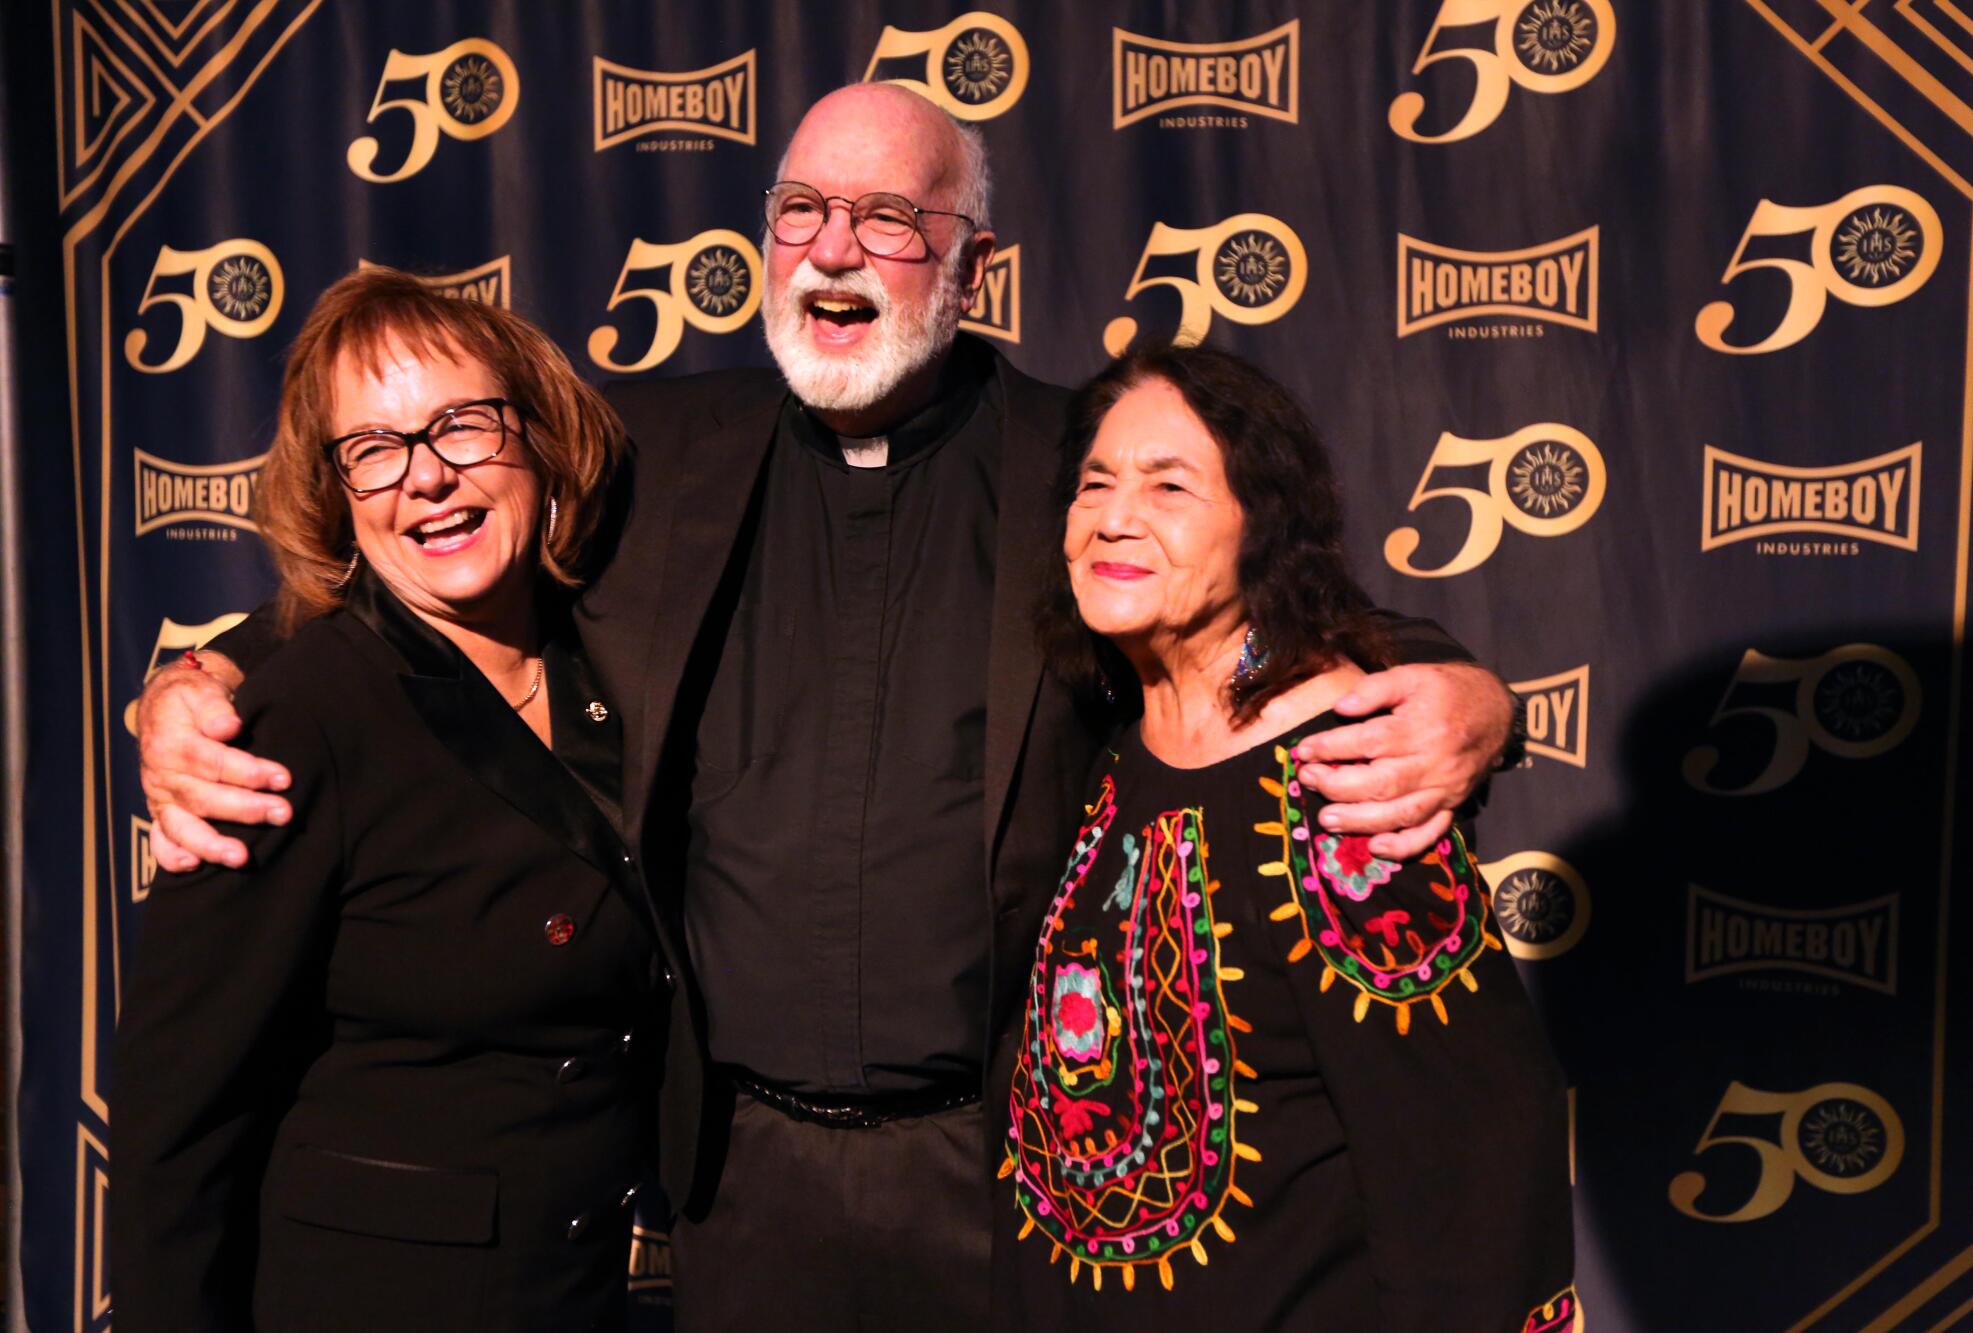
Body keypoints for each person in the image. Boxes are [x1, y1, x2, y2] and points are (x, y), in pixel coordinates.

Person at [134, 85, 1523, 1329]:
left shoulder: (1072, 466)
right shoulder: (654, 456)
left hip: (1001, 1176)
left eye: (887, 217)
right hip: (741, 1186)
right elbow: (420, 553)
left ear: (973, 262)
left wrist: (1462, 687)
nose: (834, 247)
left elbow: (1252, 579)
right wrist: (203, 685)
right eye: (799, 210)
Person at [110, 268, 669, 1333]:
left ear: (539, 438)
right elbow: (173, 1130)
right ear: (338, 493)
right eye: (373, 449)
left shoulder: (616, 650)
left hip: (575, 1298)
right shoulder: (290, 726)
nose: (425, 475)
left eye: (460, 426)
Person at [998, 342, 1574, 1330]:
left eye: (1168, 485)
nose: (1113, 518)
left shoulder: (1347, 782)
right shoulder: (1115, 744)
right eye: (1093, 484)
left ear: (1261, 527)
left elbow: (1470, 1159)